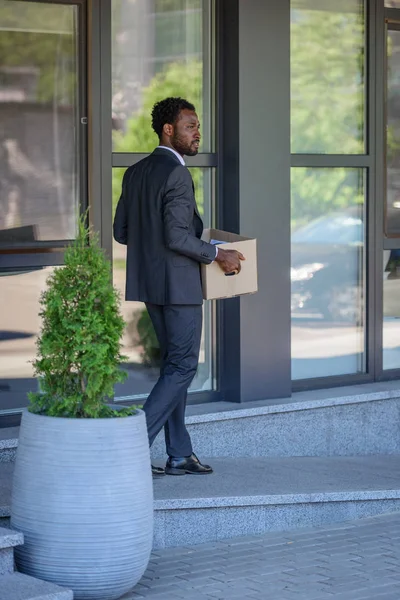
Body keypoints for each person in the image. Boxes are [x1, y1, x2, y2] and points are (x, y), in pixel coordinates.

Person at [113, 97, 244, 477]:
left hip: (151, 286)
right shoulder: (176, 173)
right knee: (183, 367)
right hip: (180, 288)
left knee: (174, 368)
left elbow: (123, 233)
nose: (197, 132)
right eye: (190, 126)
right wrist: (218, 255)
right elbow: (176, 236)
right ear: (168, 129)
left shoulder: (135, 172)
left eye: (197, 125)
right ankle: (129, 448)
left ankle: (179, 453)